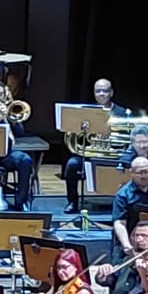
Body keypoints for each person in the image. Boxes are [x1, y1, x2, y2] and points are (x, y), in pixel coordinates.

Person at [60, 79, 131, 213]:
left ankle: (124, 204)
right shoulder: (87, 113)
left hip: (115, 154)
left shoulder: (123, 113)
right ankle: (72, 202)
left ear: (111, 93)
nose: (101, 94)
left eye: (105, 91)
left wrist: (110, 134)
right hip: (91, 154)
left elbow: (129, 137)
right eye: (98, 91)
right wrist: (84, 129)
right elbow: (74, 134)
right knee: (71, 165)